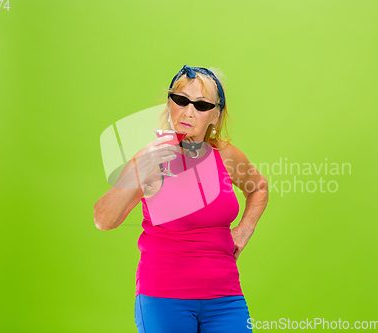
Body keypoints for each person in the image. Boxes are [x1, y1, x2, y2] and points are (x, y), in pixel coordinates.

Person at [94, 65, 269, 332]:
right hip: (163, 297)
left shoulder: (227, 156)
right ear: (169, 104)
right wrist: (139, 170)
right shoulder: (149, 159)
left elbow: (259, 187)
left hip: (225, 297)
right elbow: (103, 220)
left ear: (216, 115)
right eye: (181, 100)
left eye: (201, 105)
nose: (188, 112)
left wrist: (245, 230)